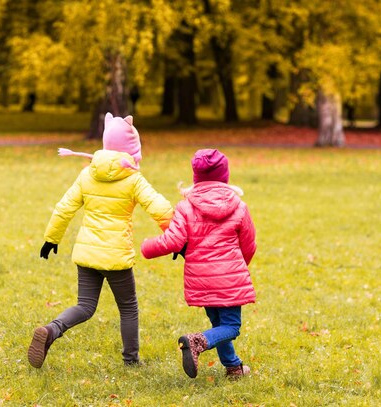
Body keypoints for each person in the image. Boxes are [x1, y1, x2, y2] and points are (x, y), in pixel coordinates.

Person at [29, 112, 173, 368]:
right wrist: (176, 239)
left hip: (86, 254)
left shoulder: (88, 173)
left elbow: (64, 208)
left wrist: (51, 238)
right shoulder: (132, 178)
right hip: (116, 256)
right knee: (128, 307)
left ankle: (51, 330)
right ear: (132, 148)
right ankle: (131, 360)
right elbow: (160, 209)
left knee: (85, 305)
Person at [141, 148, 256, 380]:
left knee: (218, 323)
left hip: (201, 279)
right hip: (230, 277)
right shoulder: (239, 206)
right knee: (231, 327)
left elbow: (173, 240)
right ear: (225, 176)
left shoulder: (185, 206)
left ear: (196, 177)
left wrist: (147, 247)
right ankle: (197, 341)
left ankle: (233, 367)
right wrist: (238, 268)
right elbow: (249, 245)